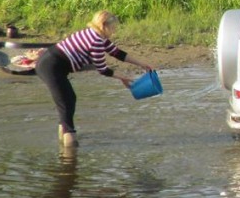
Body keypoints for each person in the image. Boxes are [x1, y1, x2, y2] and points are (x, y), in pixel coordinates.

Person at [35, 10, 154, 148]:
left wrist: (142, 64)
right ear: (104, 25)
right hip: (50, 67)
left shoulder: (95, 34)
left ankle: (64, 149)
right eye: (113, 27)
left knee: (68, 102)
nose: (115, 31)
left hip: (50, 63)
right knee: (66, 103)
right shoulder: (96, 41)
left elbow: (117, 53)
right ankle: (70, 151)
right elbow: (102, 69)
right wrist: (123, 78)